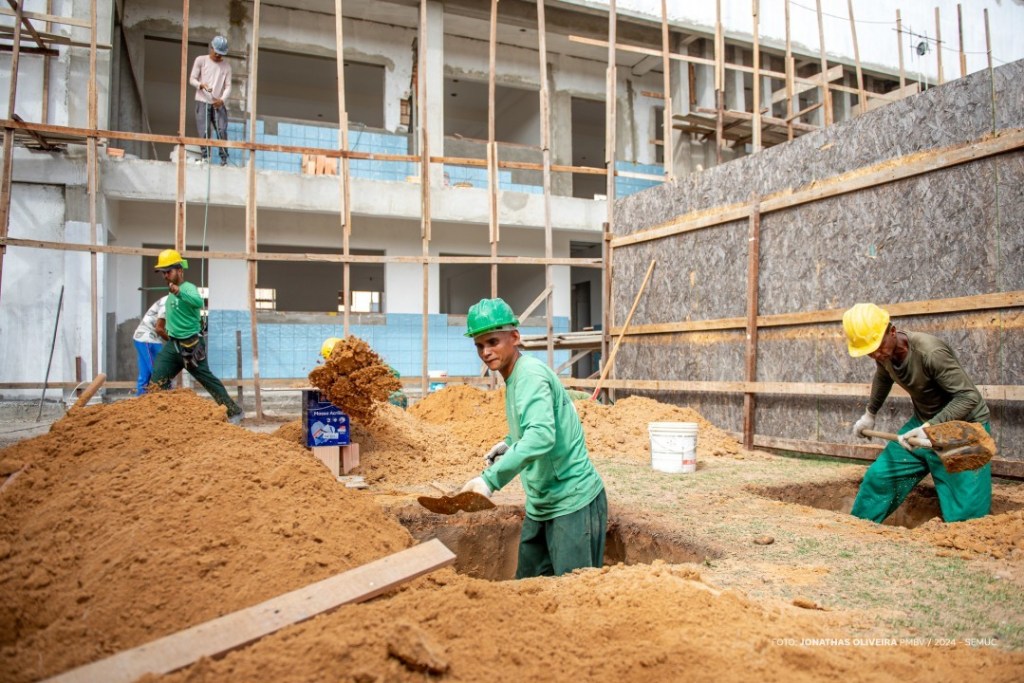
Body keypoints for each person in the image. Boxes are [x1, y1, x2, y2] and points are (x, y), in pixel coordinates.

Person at [459, 298, 607, 578]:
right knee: (527, 589)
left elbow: (541, 436)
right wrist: (510, 441)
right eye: (479, 345)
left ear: (514, 337)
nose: (486, 352)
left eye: (492, 342)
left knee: (574, 593)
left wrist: (490, 480)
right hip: (543, 502)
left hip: (572, 500)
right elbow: (535, 424)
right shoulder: (514, 375)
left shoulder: (529, 375)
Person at [843, 303, 991, 523]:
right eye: (869, 351)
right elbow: (883, 376)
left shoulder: (930, 352)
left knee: (966, 513)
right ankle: (858, 532)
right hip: (923, 424)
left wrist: (929, 428)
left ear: (892, 331)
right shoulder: (883, 355)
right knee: (879, 478)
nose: (875, 354)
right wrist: (870, 413)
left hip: (963, 429)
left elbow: (968, 397)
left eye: (877, 346)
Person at [149, 249, 244, 424]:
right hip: (173, 345)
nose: (165, 276)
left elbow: (199, 302)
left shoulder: (188, 288)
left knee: (206, 379)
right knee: (157, 381)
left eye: (168, 271)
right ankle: (159, 420)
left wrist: (179, 292)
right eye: (163, 273)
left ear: (179, 270)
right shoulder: (170, 295)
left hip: (191, 345)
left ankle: (234, 412)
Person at [189, 35, 232, 166]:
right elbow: (192, 79)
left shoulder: (226, 66)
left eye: (221, 54)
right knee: (204, 130)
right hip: (202, 101)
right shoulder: (201, 60)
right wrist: (200, 85)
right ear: (211, 48)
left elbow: (228, 86)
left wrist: (222, 100)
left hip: (217, 103)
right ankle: (205, 157)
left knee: (222, 130)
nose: (218, 56)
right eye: (217, 53)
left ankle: (224, 159)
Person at [133, 295, 168, 395]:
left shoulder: (175, 303)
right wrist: (172, 341)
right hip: (147, 338)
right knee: (158, 369)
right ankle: (166, 397)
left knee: (145, 374)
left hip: (148, 339)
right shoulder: (167, 303)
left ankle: (140, 398)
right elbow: (159, 328)